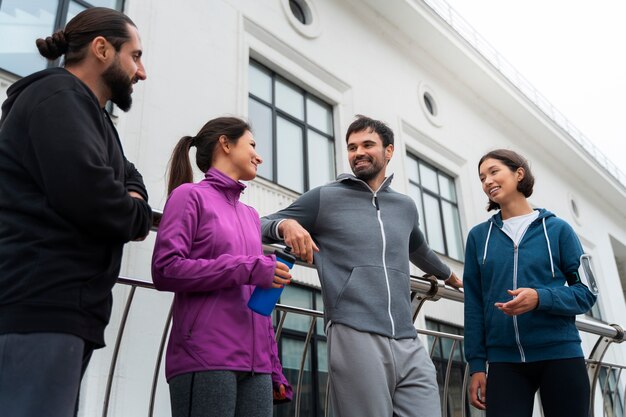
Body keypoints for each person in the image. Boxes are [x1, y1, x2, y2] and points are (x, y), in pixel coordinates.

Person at [0, 7, 152, 417]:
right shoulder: (57, 98)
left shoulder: (94, 119)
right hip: (39, 306)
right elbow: (99, 202)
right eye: (135, 56)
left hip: (63, 311)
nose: (141, 72)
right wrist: (135, 210)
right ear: (102, 49)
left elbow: (128, 176)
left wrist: (130, 196)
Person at [261, 114, 463, 417]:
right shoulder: (325, 197)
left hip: (407, 336)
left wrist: (449, 276)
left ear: (389, 151)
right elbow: (261, 223)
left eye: (367, 144)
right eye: (352, 147)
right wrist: (286, 225)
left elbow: (417, 247)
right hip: (354, 330)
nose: (358, 152)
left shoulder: (405, 206)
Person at [151, 117, 293, 417]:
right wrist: (250, 267)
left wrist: (274, 366)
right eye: (252, 144)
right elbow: (166, 269)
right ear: (225, 143)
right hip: (205, 356)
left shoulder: (251, 215)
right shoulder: (188, 196)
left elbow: (258, 299)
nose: (259, 155)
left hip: (257, 367)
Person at [463, 149, 597, 417]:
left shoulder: (558, 230)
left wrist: (540, 298)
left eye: (493, 172)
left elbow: (587, 293)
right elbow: (474, 304)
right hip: (504, 362)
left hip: (560, 354)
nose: (487, 181)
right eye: (481, 178)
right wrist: (477, 364)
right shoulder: (479, 237)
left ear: (519, 173)